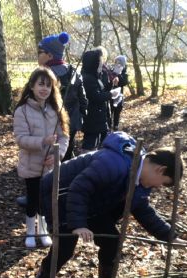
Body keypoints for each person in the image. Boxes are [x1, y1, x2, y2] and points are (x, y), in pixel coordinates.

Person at [27, 131, 187, 278]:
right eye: (163, 183)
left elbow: (144, 211)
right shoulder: (114, 163)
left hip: (92, 202)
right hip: (59, 196)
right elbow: (79, 188)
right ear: (160, 170)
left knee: (112, 241)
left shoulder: (140, 182)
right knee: (64, 248)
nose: (158, 187)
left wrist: (171, 237)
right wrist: (78, 225)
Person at [13, 67, 69, 248]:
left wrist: (57, 155)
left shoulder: (55, 110)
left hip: (50, 166)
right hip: (31, 165)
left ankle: (43, 231)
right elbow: (21, 139)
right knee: (33, 200)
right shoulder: (22, 111)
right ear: (32, 86)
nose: (44, 89)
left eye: (48, 85)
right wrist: (43, 141)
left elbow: (64, 137)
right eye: (41, 84)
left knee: (47, 200)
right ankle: (30, 232)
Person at [37, 32, 88, 161]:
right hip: (71, 124)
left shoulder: (42, 76)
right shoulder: (73, 71)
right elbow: (83, 100)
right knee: (66, 154)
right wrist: (79, 119)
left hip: (49, 126)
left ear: (50, 55)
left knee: (49, 159)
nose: (37, 56)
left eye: (40, 52)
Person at [81, 49, 120, 152]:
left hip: (99, 117)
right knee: (90, 144)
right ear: (93, 64)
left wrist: (111, 83)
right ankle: (87, 159)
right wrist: (110, 94)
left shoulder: (96, 76)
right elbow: (95, 96)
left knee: (100, 142)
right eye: (99, 63)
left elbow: (102, 90)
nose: (101, 65)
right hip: (92, 117)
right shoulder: (87, 78)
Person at [109, 55, 129, 131]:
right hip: (110, 95)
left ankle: (116, 126)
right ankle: (109, 126)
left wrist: (119, 74)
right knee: (110, 112)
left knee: (117, 112)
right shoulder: (111, 70)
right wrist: (114, 73)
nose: (117, 64)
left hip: (119, 96)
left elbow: (124, 82)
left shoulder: (124, 73)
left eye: (119, 63)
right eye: (116, 62)